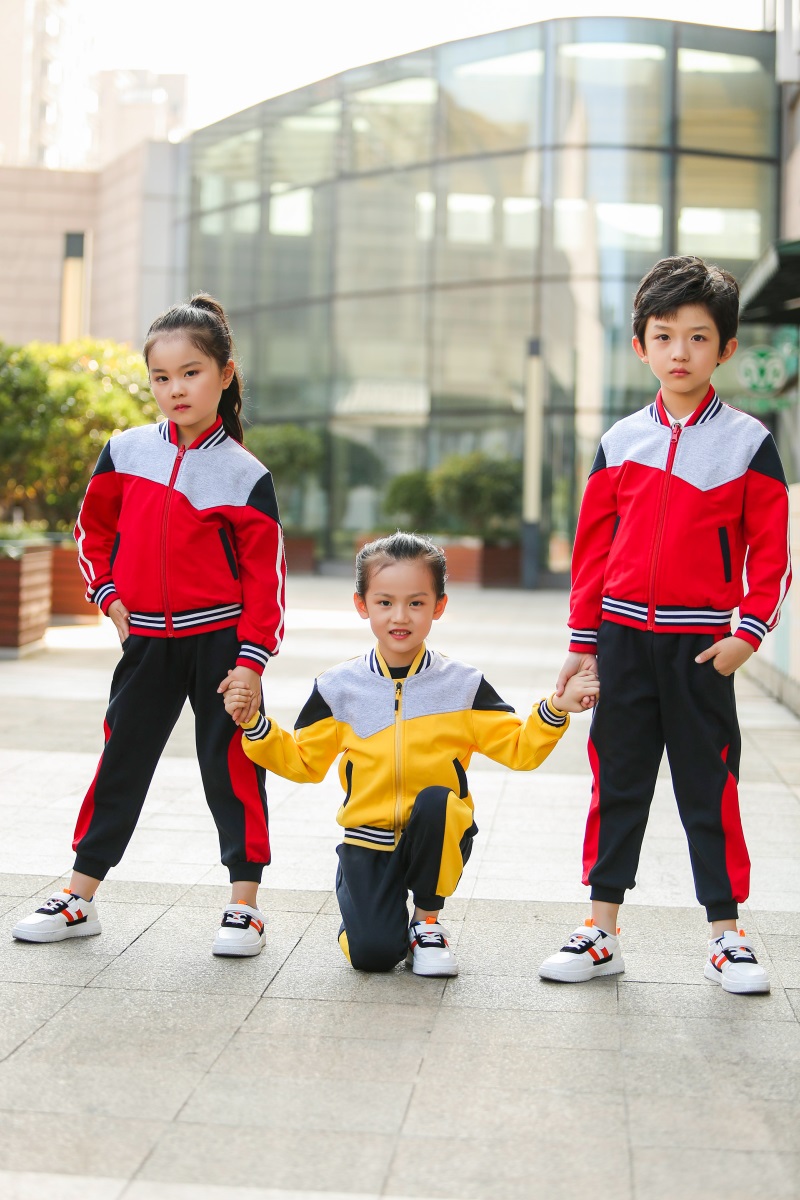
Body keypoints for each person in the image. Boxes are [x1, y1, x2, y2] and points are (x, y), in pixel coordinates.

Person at [539, 256, 791, 994]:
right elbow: (592, 552)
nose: (680, 351)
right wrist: (583, 644)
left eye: (698, 337)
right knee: (616, 782)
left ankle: (727, 935)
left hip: (700, 649)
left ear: (726, 349)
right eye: (664, 335)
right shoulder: (621, 441)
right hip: (621, 642)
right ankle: (601, 930)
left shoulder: (748, 442)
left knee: (708, 788)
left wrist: (747, 634)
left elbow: (773, 553)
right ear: (640, 346)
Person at [12, 295, 286, 958]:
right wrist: (107, 595)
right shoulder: (125, 450)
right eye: (162, 377)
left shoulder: (246, 475)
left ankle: (244, 908)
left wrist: (251, 662)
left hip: (221, 646)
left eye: (191, 373)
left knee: (232, 765)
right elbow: (93, 529)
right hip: (147, 644)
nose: (175, 389)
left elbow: (266, 580)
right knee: (122, 760)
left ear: (225, 373)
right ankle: (79, 897)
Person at [222, 531, 598, 977]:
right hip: (368, 840)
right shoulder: (338, 688)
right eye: (385, 602)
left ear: (439, 606)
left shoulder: (463, 685)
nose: (400, 616)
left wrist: (557, 707)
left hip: (436, 837)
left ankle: (426, 924)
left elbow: (520, 750)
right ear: (362, 604)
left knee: (439, 802)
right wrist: (254, 724)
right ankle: (365, 918)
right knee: (374, 957)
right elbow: (303, 762)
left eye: (416, 603)